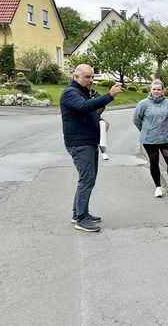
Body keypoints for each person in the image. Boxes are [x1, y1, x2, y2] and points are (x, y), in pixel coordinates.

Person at [60, 64, 124, 232]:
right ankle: (81, 219)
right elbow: (85, 107)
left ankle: (79, 214)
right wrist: (110, 95)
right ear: (76, 77)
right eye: (87, 77)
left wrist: (101, 123)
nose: (91, 80)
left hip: (88, 142)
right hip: (80, 144)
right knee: (87, 179)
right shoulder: (70, 93)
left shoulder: (81, 92)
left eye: (92, 77)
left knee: (88, 178)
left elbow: (89, 114)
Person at [133, 80, 168, 199]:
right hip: (149, 140)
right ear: (150, 90)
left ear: (162, 90)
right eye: (154, 89)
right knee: (154, 162)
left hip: (166, 138)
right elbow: (136, 120)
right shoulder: (143, 104)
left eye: (159, 89)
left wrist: (163, 129)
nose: (156, 91)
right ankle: (158, 187)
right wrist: (146, 130)